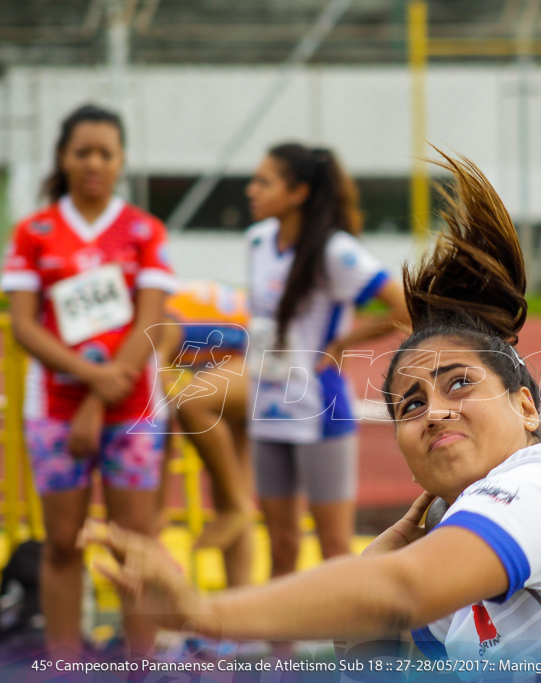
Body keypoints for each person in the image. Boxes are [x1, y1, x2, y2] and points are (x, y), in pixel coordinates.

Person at [82, 152, 541, 681]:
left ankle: (231, 509)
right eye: (408, 403)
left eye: (459, 382)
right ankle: (236, 505)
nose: (434, 410)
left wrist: (204, 612)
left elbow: (398, 590)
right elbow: (385, 621)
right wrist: (375, 587)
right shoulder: (451, 591)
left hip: (305, 399)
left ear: (526, 405)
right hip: (281, 391)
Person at [1, 104, 176, 655]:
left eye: (106, 152)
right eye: (83, 152)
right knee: (60, 544)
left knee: (135, 544)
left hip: (131, 412)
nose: (94, 163)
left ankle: (143, 663)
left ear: (121, 160)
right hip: (52, 410)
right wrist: (87, 379)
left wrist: (97, 398)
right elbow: (25, 326)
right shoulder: (33, 233)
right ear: (63, 157)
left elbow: (151, 321)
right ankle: (64, 664)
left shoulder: (145, 231)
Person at [244, 143, 409, 579]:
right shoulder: (257, 241)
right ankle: (281, 649)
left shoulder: (336, 251)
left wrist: (340, 344)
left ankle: (348, 649)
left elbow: (402, 308)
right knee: (279, 545)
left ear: (298, 192)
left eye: (264, 181)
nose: (251, 190)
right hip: (265, 402)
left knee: (335, 550)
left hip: (320, 406)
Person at [154, 280, 253, 587]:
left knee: (190, 405)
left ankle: (237, 507)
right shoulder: (166, 318)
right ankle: (241, 611)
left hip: (257, 356)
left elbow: (155, 382)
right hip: (236, 356)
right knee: (230, 485)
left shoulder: (162, 325)